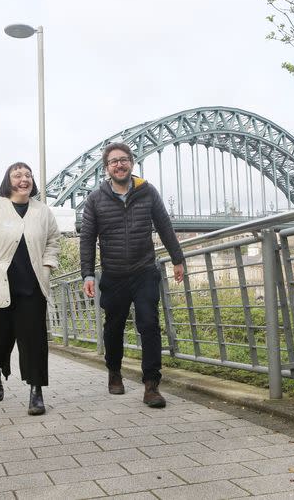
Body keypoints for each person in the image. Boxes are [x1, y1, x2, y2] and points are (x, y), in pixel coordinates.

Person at [80, 142, 184, 408]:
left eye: (123, 159)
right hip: (113, 275)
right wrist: (88, 275)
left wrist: (177, 259)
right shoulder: (95, 199)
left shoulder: (147, 192)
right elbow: (88, 239)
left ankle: (152, 385)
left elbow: (164, 226)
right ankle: (114, 371)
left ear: (132, 163)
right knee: (113, 328)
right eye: (114, 161)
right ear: (107, 168)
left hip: (144, 271)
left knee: (149, 324)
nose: (119, 164)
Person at [0, 162, 60, 415]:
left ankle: (36, 391)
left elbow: (53, 240)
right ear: (8, 181)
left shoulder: (42, 211)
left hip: (32, 288)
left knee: (34, 341)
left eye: (28, 175)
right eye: (17, 175)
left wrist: (47, 264)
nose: (24, 179)